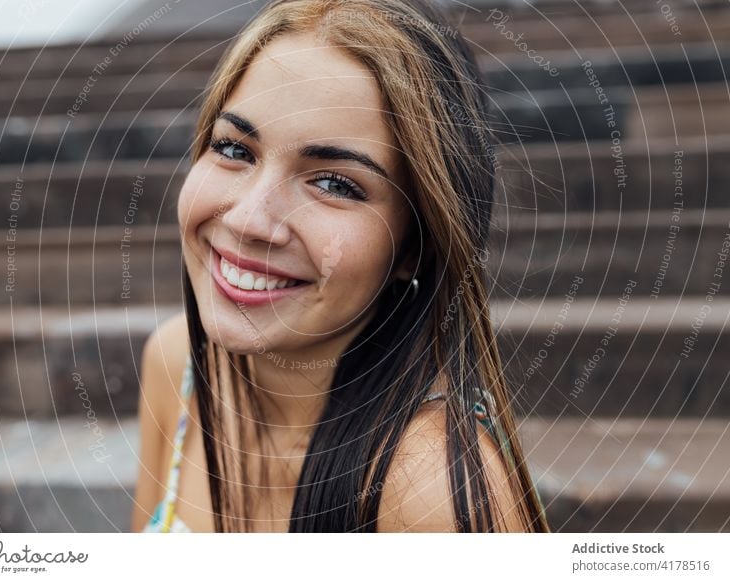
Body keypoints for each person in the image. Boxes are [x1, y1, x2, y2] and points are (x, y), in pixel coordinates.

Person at [132, 0, 549, 533]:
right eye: (235, 149)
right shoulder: (176, 366)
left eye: (334, 184)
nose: (249, 220)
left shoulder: (430, 492)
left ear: (414, 247)